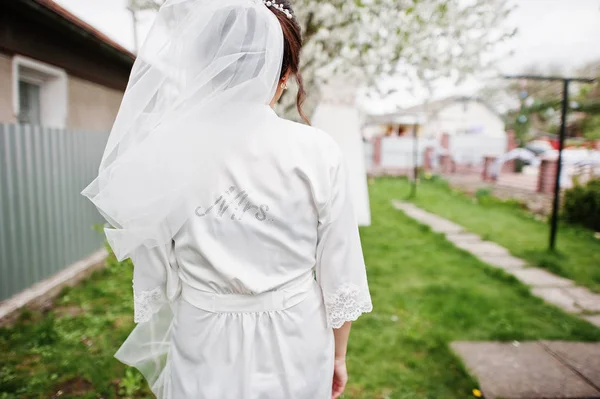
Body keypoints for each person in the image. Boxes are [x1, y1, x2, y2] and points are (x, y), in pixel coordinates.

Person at [82, 0, 372, 398]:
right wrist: (339, 356)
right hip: (295, 337)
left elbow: (156, 263)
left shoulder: (166, 150)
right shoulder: (317, 150)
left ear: (208, 64)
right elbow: (341, 268)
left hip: (203, 335)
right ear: (284, 73)